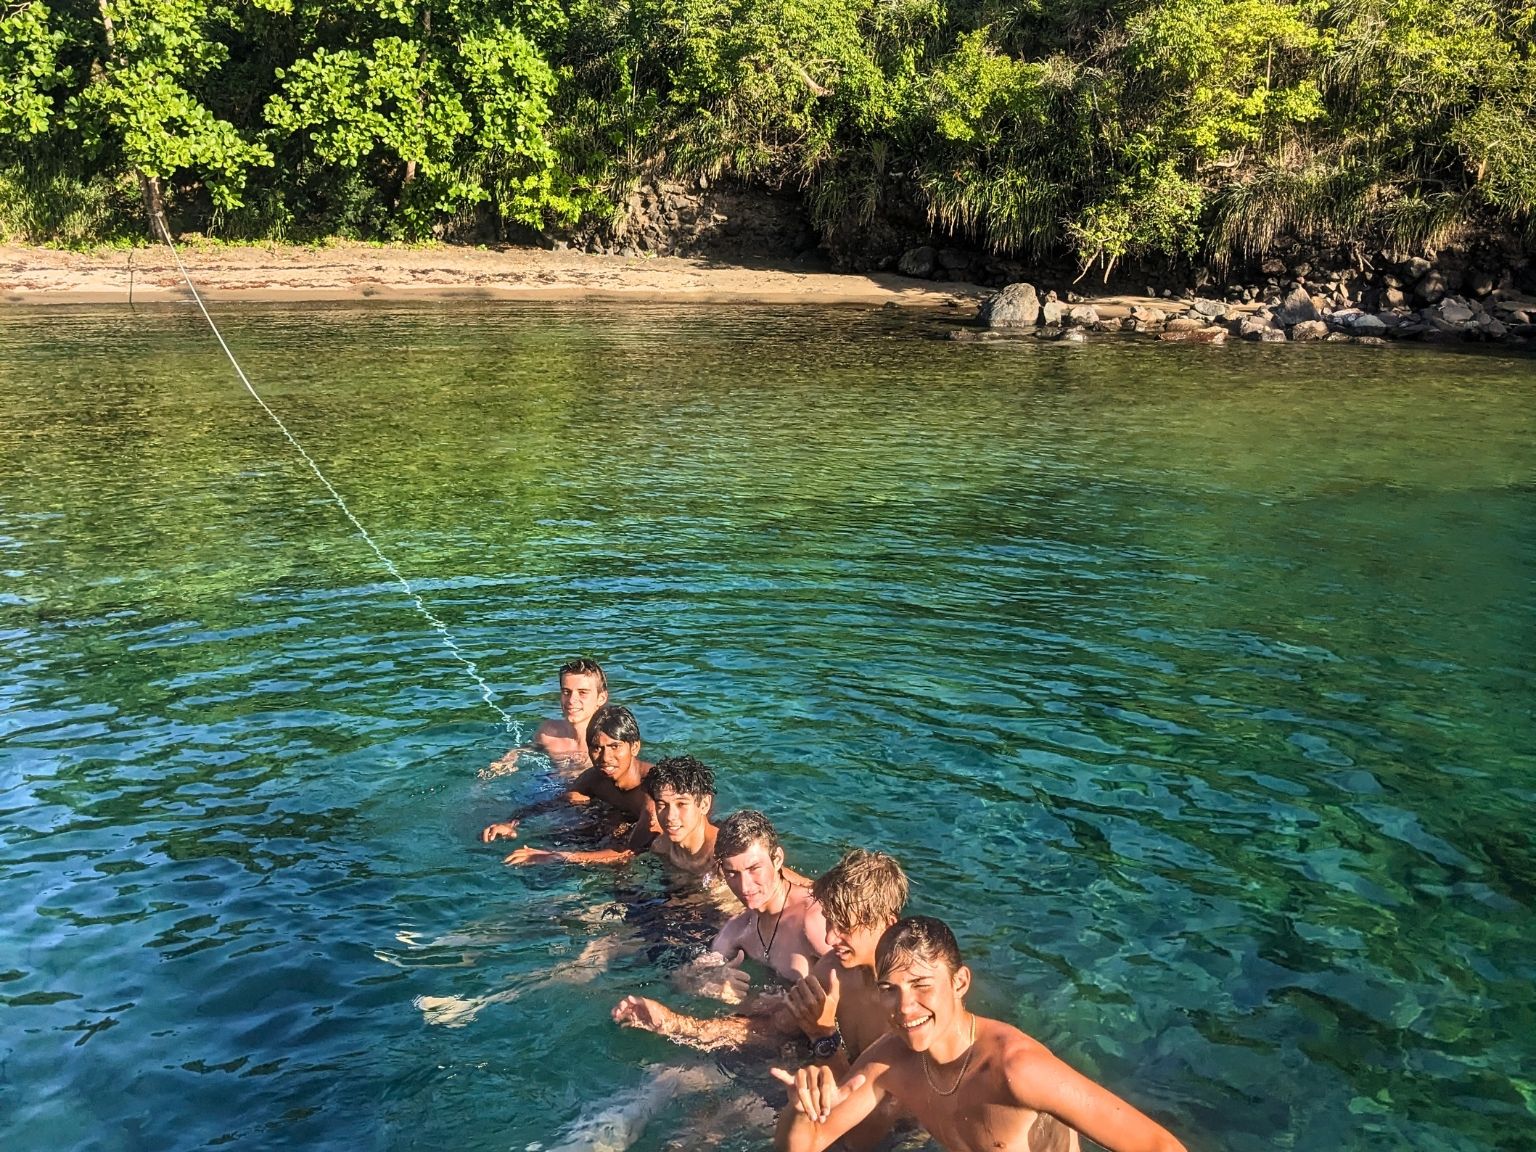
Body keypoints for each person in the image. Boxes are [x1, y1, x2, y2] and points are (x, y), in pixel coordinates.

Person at [772, 917, 1188, 1152]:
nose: (905, 1007)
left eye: (921, 985)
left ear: (960, 983)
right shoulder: (892, 1061)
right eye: (890, 990)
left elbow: (1158, 1145)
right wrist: (800, 1104)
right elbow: (807, 1144)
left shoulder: (1015, 1069)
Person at [673, 810, 831, 1002]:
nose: (744, 886)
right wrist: (707, 981)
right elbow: (681, 979)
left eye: (754, 869)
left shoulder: (814, 919)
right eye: (732, 873)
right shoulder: (737, 929)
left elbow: (864, 982)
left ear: (777, 859)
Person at [502, 754, 718, 875]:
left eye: (681, 804)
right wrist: (555, 857)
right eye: (662, 804)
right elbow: (623, 857)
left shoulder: (724, 855)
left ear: (704, 803)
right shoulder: (661, 846)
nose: (670, 816)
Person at [481, 703, 655, 849]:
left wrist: (557, 857)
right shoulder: (594, 779)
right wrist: (512, 822)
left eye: (614, 747)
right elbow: (558, 803)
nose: (605, 758)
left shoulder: (654, 789)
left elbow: (631, 852)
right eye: (596, 748)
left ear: (635, 747)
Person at [484, 657, 608, 773]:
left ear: (601, 698)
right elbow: (528, 749)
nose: (571, 700)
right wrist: (511, 756)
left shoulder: (610, 744)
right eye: (566, 692)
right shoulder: (548, 733)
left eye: (582, 692)